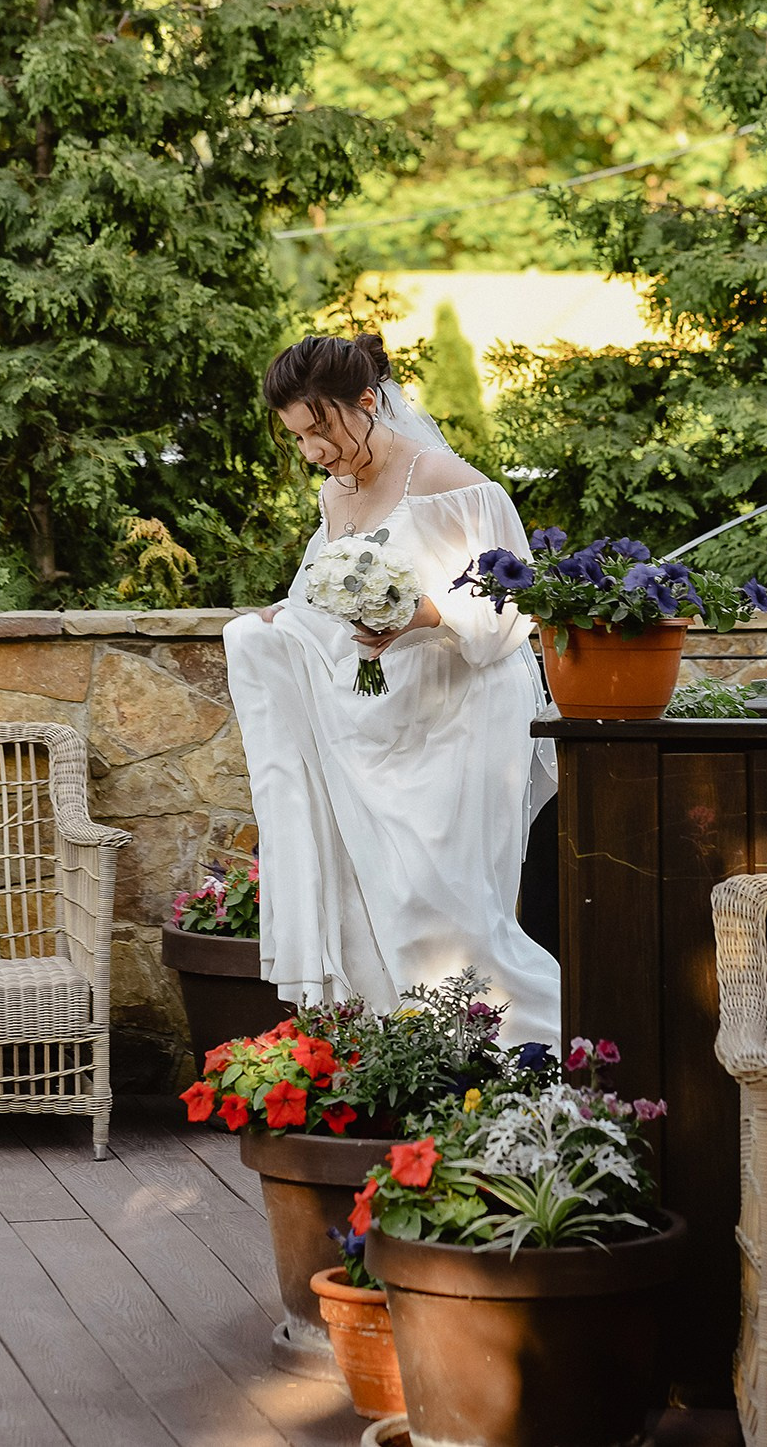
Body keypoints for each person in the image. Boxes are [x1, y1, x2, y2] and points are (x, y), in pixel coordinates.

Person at [222, 332, 561, 1048]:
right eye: (298, 439)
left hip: (460, 711)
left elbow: (510, 607)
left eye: (320, 430)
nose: (313, 452)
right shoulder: (333, 493)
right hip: (380, 717)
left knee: (447, 904)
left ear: (367, 402)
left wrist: (421, 616)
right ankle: (418, 1057)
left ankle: (544, 1053)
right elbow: (320, 596)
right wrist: (278, 621)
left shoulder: (445, 480)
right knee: (386, 893)